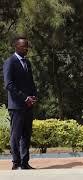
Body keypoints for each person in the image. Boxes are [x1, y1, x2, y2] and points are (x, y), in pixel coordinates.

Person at [3, 36, 37, 170]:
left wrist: (34, 96)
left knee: (26, 135)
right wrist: (24, 98)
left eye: (27, 46)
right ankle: (15, 162)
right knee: (15, 136)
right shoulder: (10, 62)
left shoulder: (27, 63)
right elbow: (9, 85)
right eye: (24, 46)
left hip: (28, 105)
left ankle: (24, 162)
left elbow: (31, 82)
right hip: (16, 106)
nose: (26, 49)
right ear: (16, 46)